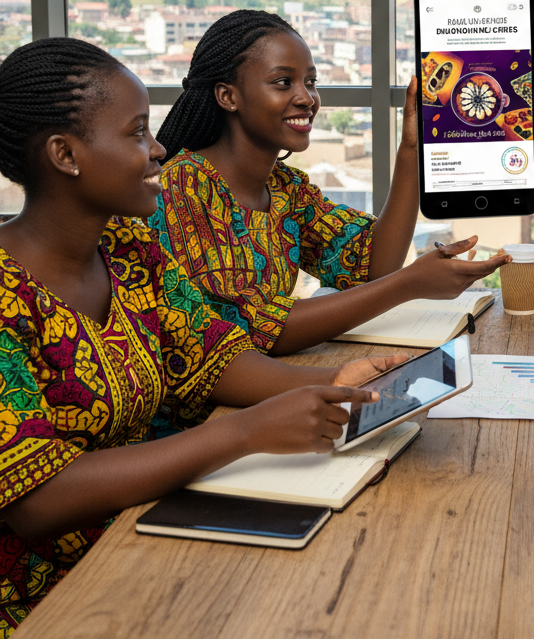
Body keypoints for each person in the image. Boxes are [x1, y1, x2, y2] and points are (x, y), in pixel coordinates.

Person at [0, 38, 406, 634]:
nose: (160, 148)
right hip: (49, 602)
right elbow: (38, 501)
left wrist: (332, 383)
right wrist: (246, 431)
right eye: (137, 133)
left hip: (142, 537)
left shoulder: (130, 251)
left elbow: (213, 357)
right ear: (65, 154)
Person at [151, 10, 509, 372]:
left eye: (310, 82)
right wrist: (409, 283)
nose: (307, 98)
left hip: (266, 396)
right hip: (200, 419)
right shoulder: (181, 189)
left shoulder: (286, 189)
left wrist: (412, 149)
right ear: (228, 96)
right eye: (282, 83)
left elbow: (373, 264)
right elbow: (252, 330)